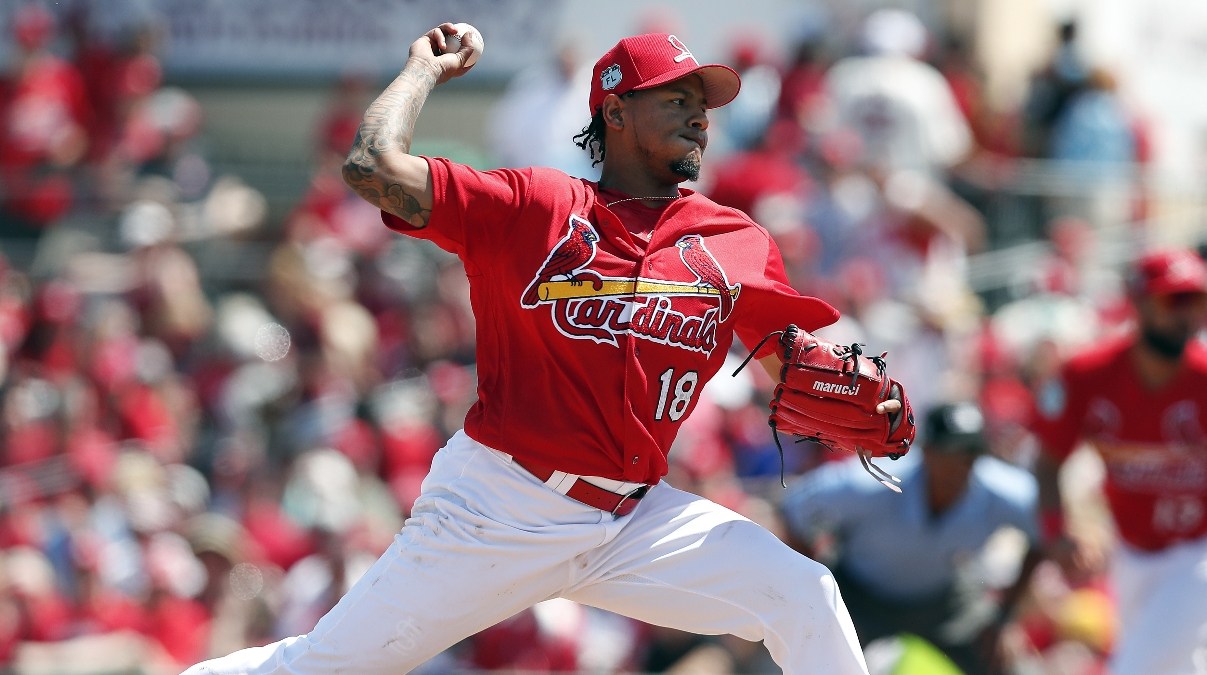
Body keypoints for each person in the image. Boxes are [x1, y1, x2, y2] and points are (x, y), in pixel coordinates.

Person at [184, 22, 911, 674]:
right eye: (674, 98)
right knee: (322, 667)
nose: (698, 114)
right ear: (614, 112)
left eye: (703, 103)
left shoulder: (735, 239)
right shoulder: (534, 206)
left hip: (634, 519)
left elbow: (791, 364)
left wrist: (862, 401)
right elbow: (371, 166)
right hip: (499, 506)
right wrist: (421, 71)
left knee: (804, 593)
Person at [1030, 247, 1207, 674]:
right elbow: (1049, 461)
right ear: (1139, 302)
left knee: (1134, 668)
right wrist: (1057, 530)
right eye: (1174, 299)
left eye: (1197, 300)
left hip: (1198, 550)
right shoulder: (1087, 375)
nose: (1187, 314)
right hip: (1130, 550)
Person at [780, 401, 1042, 674]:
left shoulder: (999, 491)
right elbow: (795, 508)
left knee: (1007, 662)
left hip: (943, 600)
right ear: (926, 452)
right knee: (805, 660)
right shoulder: (873, 483)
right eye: (951, 453)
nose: (961, 465)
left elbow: (1046, 531)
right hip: (858, 597)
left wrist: (1003, 615)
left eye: (971, 455)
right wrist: (813, 592)